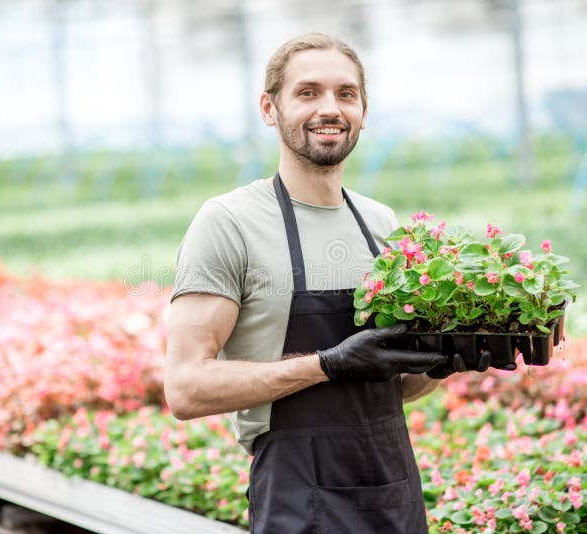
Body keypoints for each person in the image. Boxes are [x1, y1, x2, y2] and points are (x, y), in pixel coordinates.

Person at [165, 32, 491, 534]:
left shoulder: (382, 225)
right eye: (307, 92)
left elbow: (387, 383)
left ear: (363, 109)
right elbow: (186, 389)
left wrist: (444, 362)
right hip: (297, 498)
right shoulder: (229, 222)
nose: (329, 108)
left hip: (392, 493)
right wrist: (326, 365)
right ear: (269, 108)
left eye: (346, 93)